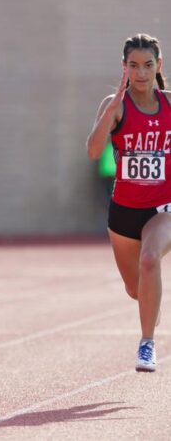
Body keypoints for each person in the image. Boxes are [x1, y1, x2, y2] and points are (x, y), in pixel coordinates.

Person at [87, 33, 171, 372]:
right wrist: (111, 109)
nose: (141, 73)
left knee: (150, 260)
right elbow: (93, 151)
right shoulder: (116, 105)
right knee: (137, 290)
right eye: (133, 66)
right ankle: (149, 305)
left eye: (147, 65)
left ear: (158, 66)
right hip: (123, 213)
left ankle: (147, 344)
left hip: (163, 207)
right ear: (124, 68)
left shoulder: (170, 104)